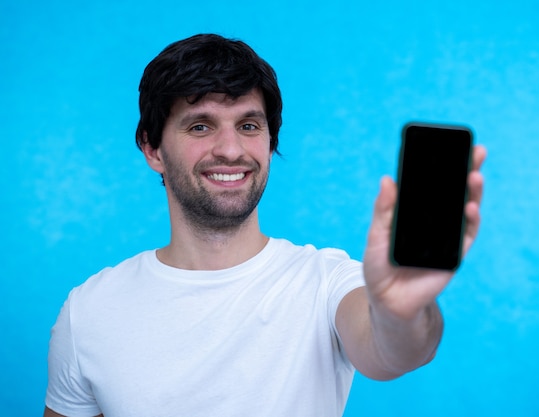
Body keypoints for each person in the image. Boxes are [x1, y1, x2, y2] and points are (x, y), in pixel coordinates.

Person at [44, 33, 486, 417]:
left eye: (249, 125)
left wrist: (399, 312)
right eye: (200, 126)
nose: (231, 149)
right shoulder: (89, 311)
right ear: (152, 148)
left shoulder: (327, 281)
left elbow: (392, 354)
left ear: (270, 141)